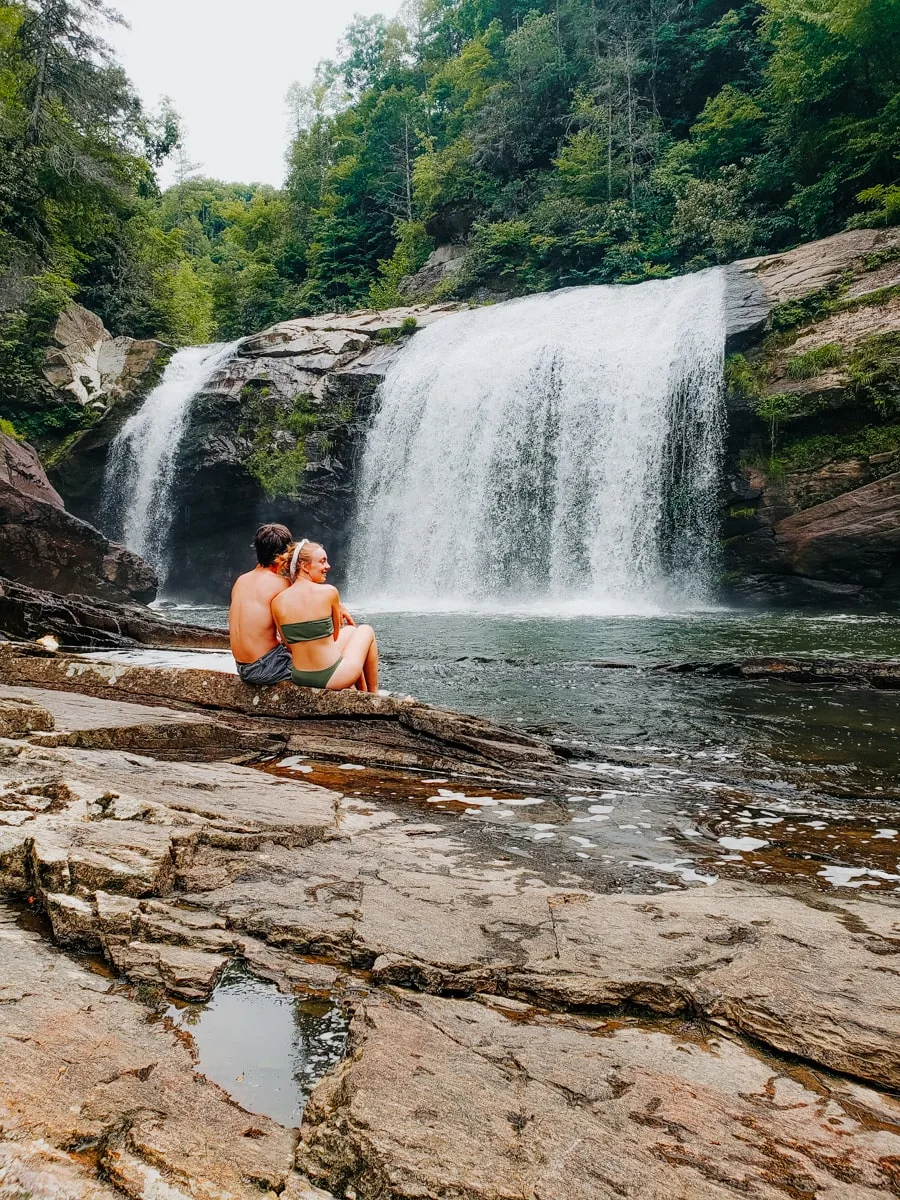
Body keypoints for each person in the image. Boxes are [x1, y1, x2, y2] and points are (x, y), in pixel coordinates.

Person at [271, 539, 379, 691]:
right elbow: (334, 636)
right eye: (322, 562)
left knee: (350, 631)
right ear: (304, 566)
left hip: (300, 676)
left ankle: (361, 692)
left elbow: (289, 645)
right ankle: (373, 695)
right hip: (332, 677)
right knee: (366, 630)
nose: (328, 566)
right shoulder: (329, 592)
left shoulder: (277, 601)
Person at [229, 523, 294, 685]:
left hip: (243, 667)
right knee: (330, 663)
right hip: (267, 667)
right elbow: (291, 637)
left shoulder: (241, 580)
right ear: (285, 553)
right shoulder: (281, 583)